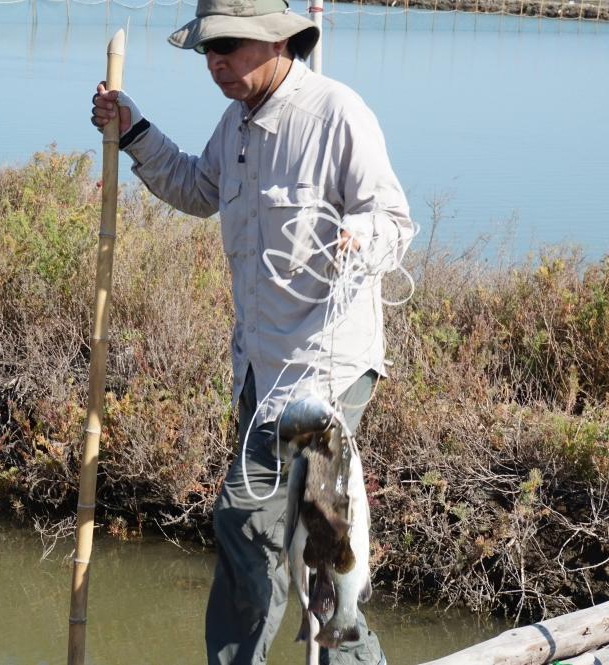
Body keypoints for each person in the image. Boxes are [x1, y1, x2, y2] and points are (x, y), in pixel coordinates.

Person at [92, 1, 413, 662]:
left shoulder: (336, 113)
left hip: (323, 370)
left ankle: (346, 656)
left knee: (318, 542)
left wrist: (362, 237)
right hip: (260, 368)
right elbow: (196, 187)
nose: (216, 63)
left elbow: (393, 218)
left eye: (231, 47)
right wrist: (134, 131)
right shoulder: (235, 122)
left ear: (276, 42)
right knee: (248, 525)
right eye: (209, 50)